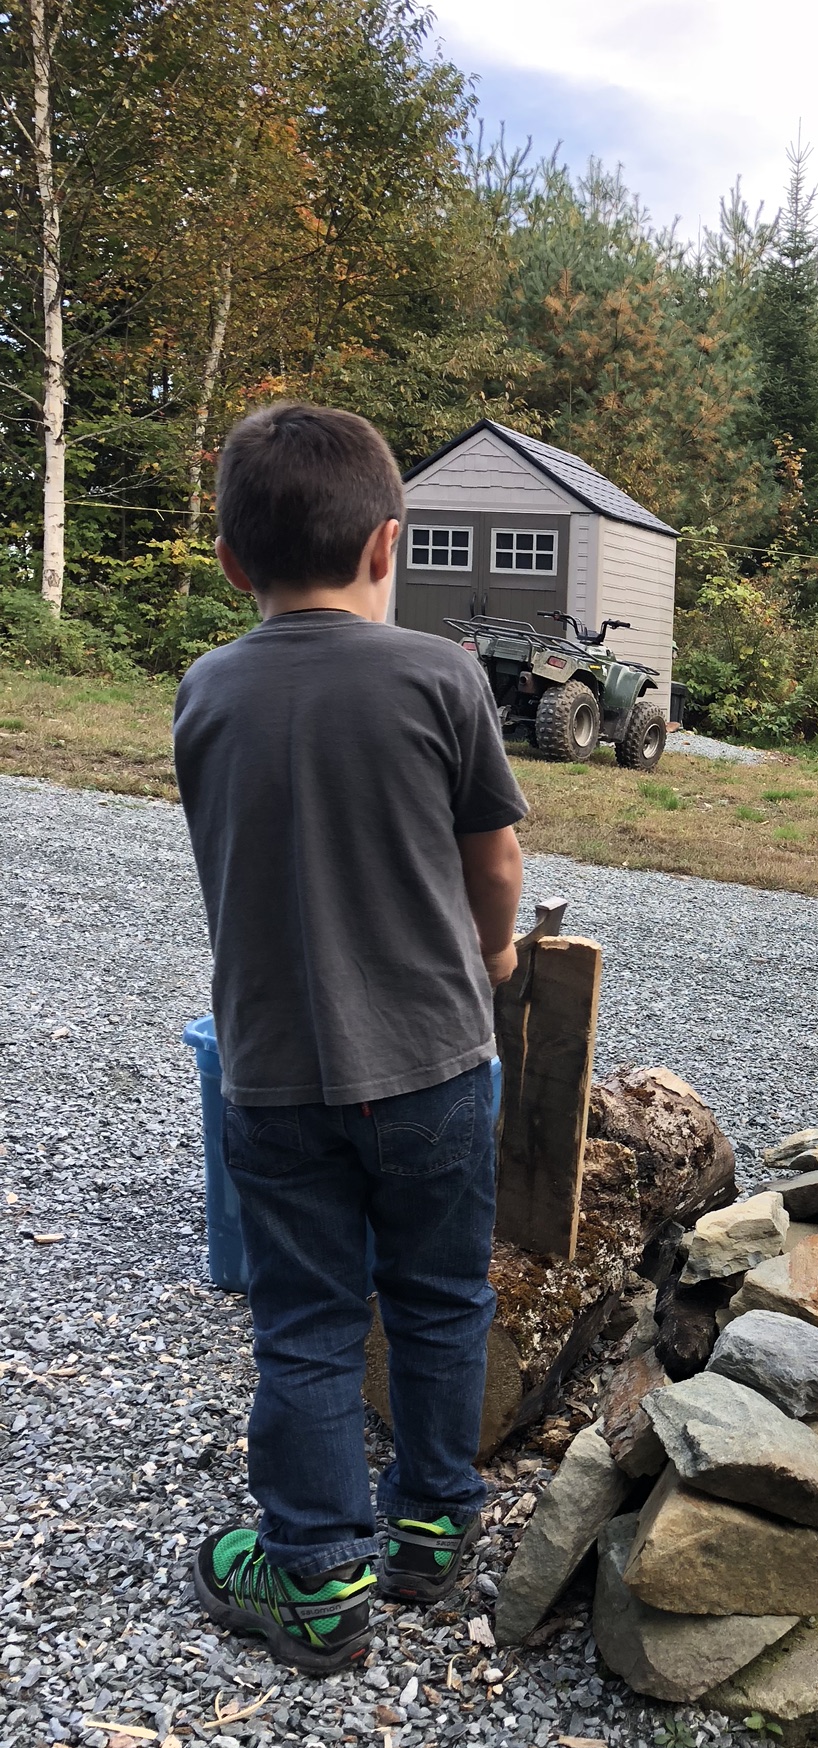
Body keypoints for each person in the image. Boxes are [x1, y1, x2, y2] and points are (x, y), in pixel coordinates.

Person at [173, 402, 527, 1675]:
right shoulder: (443, 675)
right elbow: (494, 857)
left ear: (232, 564)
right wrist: (492, 955)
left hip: (274, 1075)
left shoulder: (204, 689)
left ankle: (318, 1571)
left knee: (309, 1317)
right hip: (436, 1064)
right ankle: (434, 1526)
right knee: (440, 1296)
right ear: (392, 544)